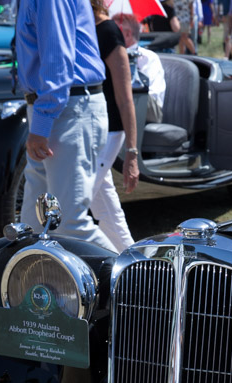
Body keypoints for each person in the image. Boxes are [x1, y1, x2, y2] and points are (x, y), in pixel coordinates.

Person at [16, 0, 115, 251]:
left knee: (69, 222)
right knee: (32, 225)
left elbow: (58, 63)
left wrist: (41, 123)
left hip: (65, 107)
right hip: (60, 106)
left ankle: (138, 285)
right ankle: (33, 289)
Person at [88, 0, 139, 253]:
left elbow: (125, 97)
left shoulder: (108, 31)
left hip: (109, 131)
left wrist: (132, 153)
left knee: (75, 208)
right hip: (91, 128)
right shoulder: (83, 28)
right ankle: (134, 266)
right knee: (106, 210)